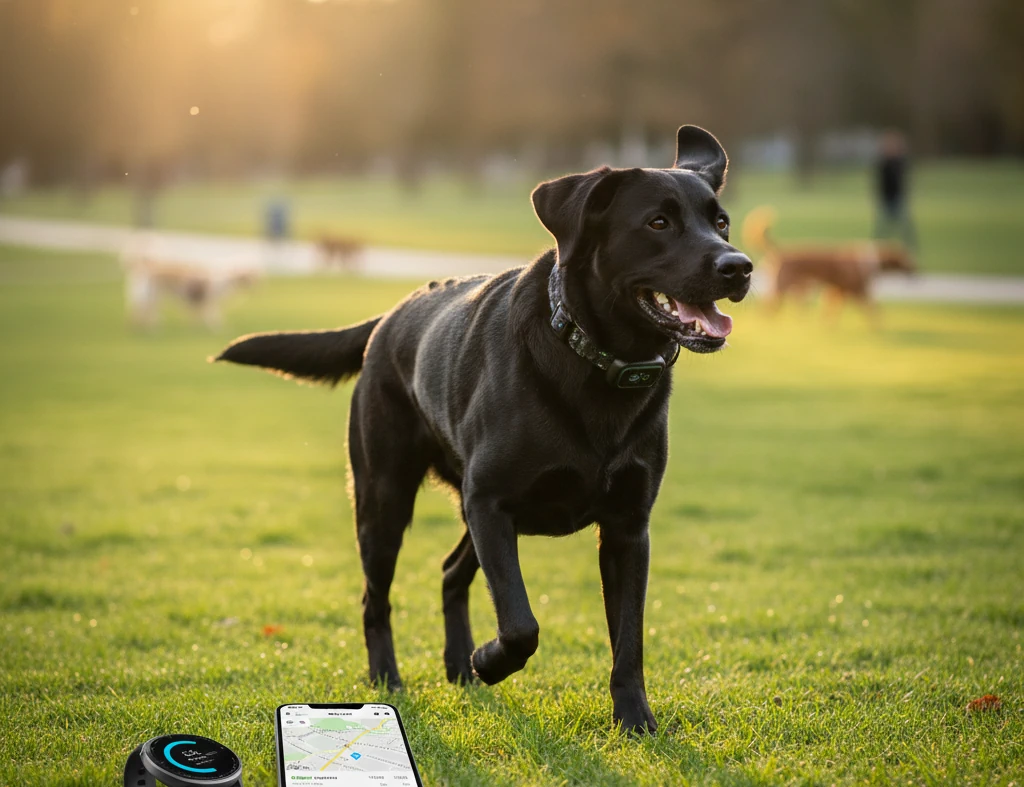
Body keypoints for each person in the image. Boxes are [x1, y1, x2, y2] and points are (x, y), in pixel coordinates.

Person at [874, 130, 917, 250]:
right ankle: (878, 247)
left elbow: (902, 180)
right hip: (886, 197)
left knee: (905, 225)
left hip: (898, 197)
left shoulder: (900, 162)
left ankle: (910, 246)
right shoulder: (883, 163)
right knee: (882, 227)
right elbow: (880, 182)